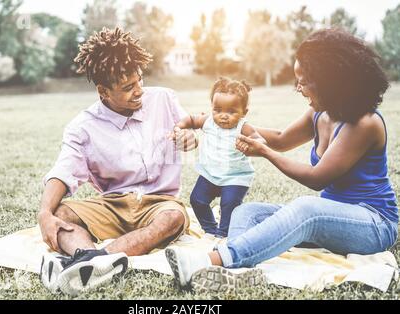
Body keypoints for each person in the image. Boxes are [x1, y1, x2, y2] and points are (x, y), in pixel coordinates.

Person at [165, 28, 398, 294]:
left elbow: (316, 178)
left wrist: (264, 152)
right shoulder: (319, 112)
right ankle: (241, 272)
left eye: (304, 80)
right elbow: (281, 138)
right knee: (245, 212)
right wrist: (219, 125)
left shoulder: (364, 123)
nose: (297, 87)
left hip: (373, 225)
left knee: (306, 209)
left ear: (329, 80)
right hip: (331, 218)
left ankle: (209, 261)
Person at [37, 27, 197, 296]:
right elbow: (63, 171)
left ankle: (93, 260)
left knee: (174, 217)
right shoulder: (83, 126)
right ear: (103, 91)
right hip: (112, 205)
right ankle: (92, 261)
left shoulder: (164, 99)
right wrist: (44, 214)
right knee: (60, 213)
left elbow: (189, 130)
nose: (139, 92)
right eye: (128, 87)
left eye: (140, 81)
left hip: (159, 204)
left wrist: (190, 139)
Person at [171, 77, 265, 238]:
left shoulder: (243, 127)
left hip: (235, 177)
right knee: (197, 200)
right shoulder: (208, 121)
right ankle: (210, 229)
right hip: (209, 174)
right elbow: (191, 119)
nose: (223, 116)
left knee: (229, 205)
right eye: (218, 110)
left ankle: (223, 235)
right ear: (212, 108)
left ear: (244, 112)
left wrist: (250, 144)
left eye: (231, 111)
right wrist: (179, 127)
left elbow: (261, 140)